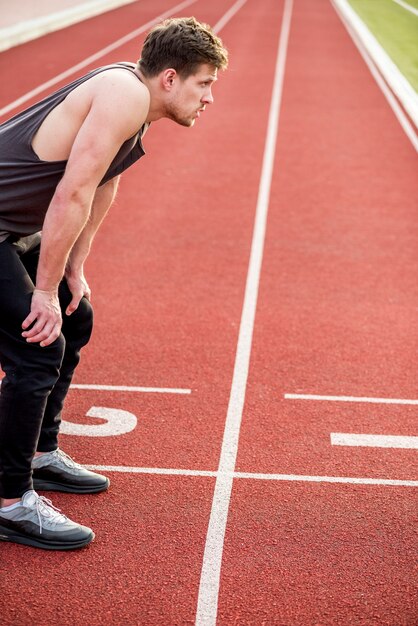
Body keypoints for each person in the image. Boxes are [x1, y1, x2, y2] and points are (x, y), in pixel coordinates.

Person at [0, 16, 228, 550]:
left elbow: (103, 185)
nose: (210, 97)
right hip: (6, 230)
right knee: (38, 344)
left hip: (12, 229)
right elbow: (71, 194)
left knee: (74, 317)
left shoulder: (137, 102)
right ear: (170, 78)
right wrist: (41, 292)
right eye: (205, 83)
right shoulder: (124, 94)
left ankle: (39, 452)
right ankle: (10, 502)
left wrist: (73, 270)